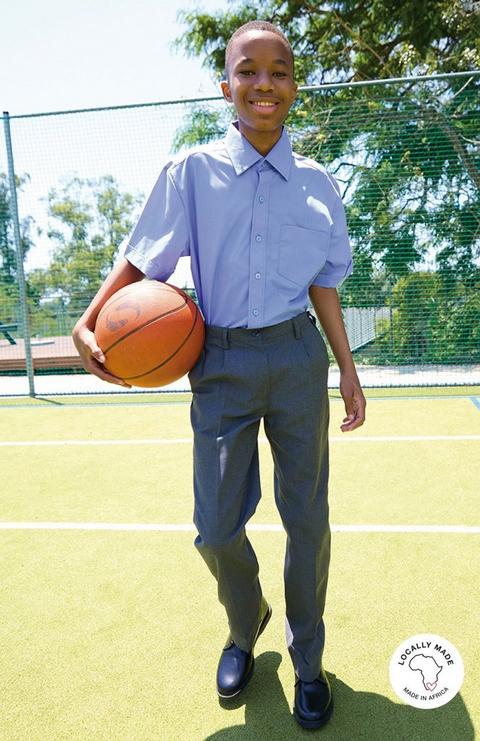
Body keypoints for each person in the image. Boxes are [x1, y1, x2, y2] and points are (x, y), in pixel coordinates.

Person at [72, 19, 366, 730]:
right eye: (249, 70)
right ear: (225, 84)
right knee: (214, 528)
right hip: (221, 361)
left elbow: (324, 287)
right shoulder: (191, 173)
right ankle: (245, 622)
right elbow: (143, 258)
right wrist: (90, 317)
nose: (265, 83)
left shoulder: (318, 184)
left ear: (294, 84)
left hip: (297, 358)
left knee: (308, 520)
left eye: (280, 71)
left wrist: (347, 369)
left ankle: (307, 659)